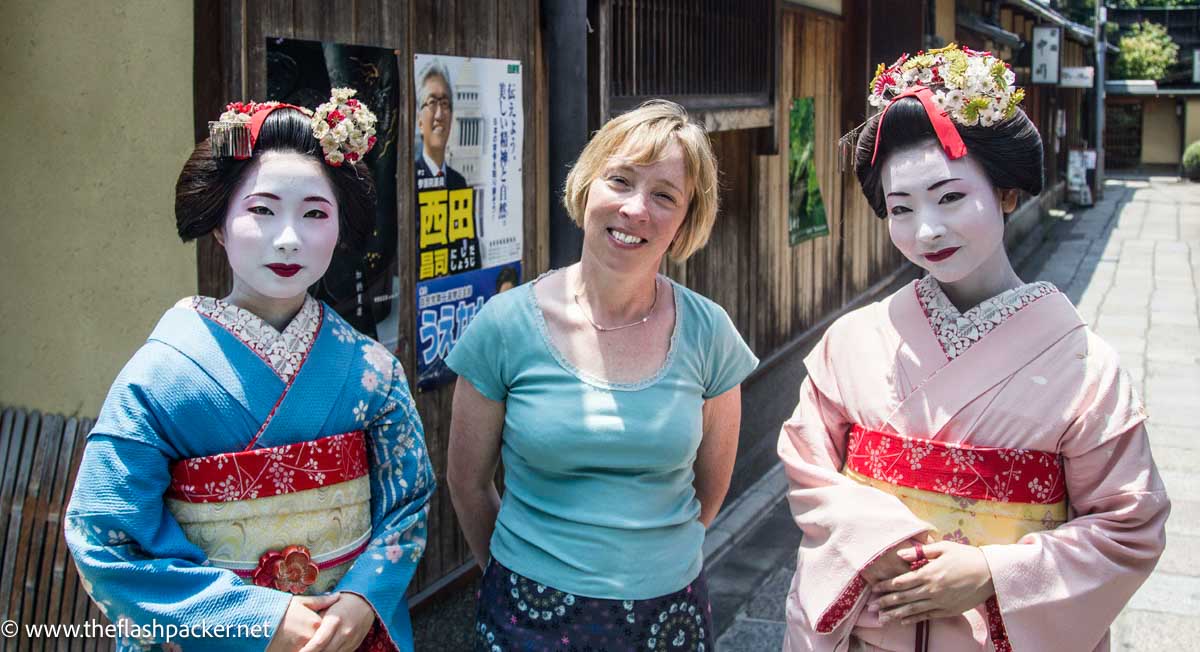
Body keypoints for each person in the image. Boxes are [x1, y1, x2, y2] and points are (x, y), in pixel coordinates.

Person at [777, 44, 1169, 652]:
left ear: (1007, 194)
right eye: (901, 209)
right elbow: (808, 469)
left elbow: (1128, 526)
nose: (927, 230)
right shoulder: (850, 343)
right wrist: (869, 544)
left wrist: (994, 575)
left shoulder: (1088, 369)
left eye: (951, 197)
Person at [64, 90, 435, 652]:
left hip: (346, 635)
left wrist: (364, 598)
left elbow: (407, 503)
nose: (289, 238)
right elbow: (102, 537)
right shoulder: (161, 376)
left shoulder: (372, 371)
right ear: (218, 225)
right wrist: (251, 619)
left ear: (339, 229)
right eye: (261, 211)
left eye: (315, 213)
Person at [445, 100, 758, 651]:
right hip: (527, 611)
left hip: (669, 614)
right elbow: (468, 484)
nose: (636, 209)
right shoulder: (505, 325)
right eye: (620, 181)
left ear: (686, 219)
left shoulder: (709, 332)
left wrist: (648, 567)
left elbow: (708, 496)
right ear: (587, 186)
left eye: (664, 195)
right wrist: (517, 573)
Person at [415, 60, 467, 191]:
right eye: (432, 102)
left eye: (444, 103)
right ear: (419, 121)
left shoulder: (459, 183)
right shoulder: (409, 180)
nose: (439, 115)